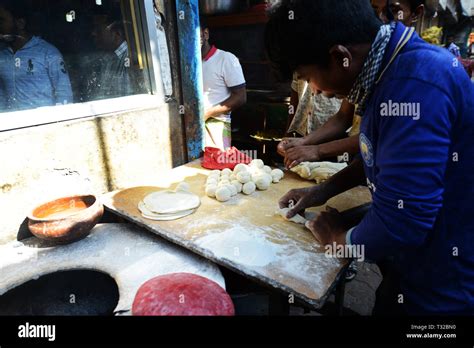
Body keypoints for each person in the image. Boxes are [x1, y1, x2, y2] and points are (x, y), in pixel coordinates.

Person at [266, 0, 474, 315]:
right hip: (410, 266)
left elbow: (404, 222)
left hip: (442, 284)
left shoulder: (414, 85)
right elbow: (380, 155)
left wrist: (340, 238)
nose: (316, 91)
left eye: (309, 78)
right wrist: (321, 191)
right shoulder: (387, 72)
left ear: (340, 57)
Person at [0, 1, 73, 111]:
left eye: (1, 20)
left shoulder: (48, 53)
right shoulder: (2, 55)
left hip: (42, 124)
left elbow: (64, 95)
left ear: (20, 23)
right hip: (11, 125)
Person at [200, 16, 247, 150]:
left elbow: (240, 97)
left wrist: (207, 113)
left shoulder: (226, 59)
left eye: (195, 35)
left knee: (216, 166)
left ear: (206, 34)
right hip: (192, 125)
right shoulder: (189, 63)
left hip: (217, 124)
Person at [84, 16, 134, 101]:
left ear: (117, 34)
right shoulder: (106, 58)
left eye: (98, 29)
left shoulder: (132, 57)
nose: (93, 33)